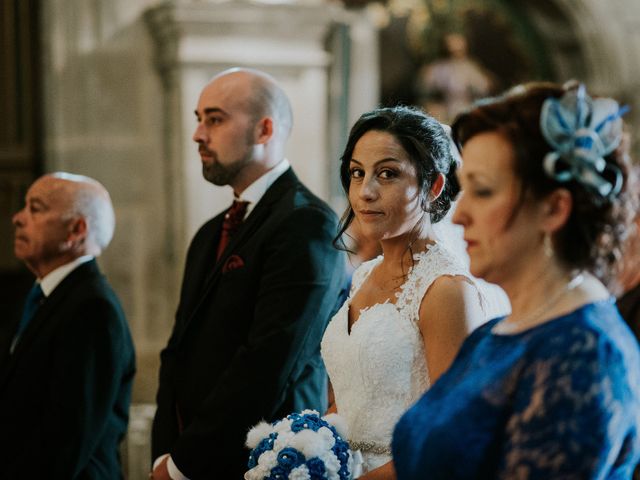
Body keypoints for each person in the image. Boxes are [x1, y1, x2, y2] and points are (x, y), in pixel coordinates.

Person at [393, 82, 640, 478]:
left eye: (484, 191)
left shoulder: (585, 352)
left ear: (554, 208)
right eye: (464, 189)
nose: (459, 215)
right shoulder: (491, 335)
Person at [150, 67, 347, 480]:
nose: (198, 135)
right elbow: (178, 353)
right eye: (198, 119)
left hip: (264, 459)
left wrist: (185, 462)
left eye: (215, 119)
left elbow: (270, 361)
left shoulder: (306, 224)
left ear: (264, 129)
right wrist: (166, 454)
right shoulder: (210, 234)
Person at [321, 106, 486, 479]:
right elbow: (350, 399)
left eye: (388, 174)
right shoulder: (363, 276)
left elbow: (451, 438)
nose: (365, 192)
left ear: (434, 186)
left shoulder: (447, 291)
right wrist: (306, 448)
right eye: (357, 173)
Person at [0, 172, 135, 479]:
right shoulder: (43, 298)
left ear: (77, 229)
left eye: (36, 208)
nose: (18, 218)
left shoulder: (92, 309)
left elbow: (67, 439)